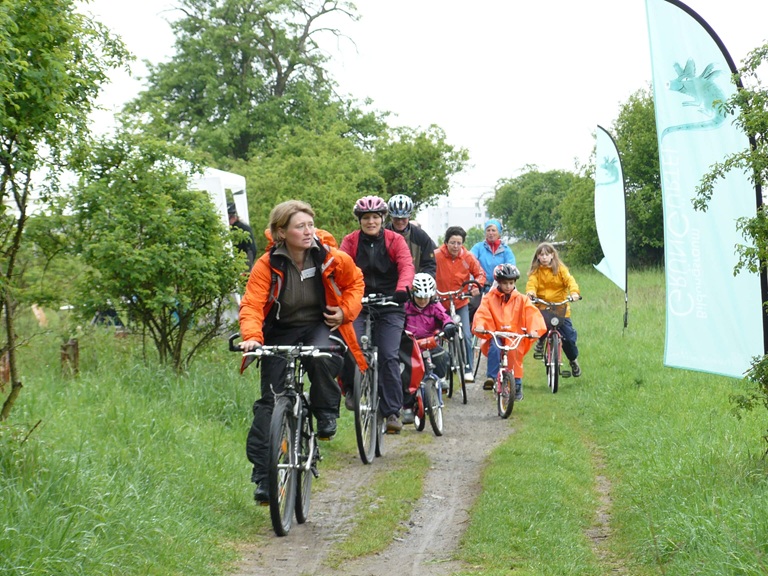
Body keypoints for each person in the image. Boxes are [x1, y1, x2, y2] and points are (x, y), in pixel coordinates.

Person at [238, 200, 365, 504]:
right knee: (270, 404)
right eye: (300, 226)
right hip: (279, 330)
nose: (309, 231)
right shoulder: (266, 265)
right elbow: (252, 304)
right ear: (281, 232)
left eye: (310, 224)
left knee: (322, 356)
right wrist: (253, 338)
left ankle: (325, 412)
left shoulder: (331, 257)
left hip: (318, 324)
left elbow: (355, 283)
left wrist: (344, 312)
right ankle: (265, 479)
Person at [340, 195, 415, 434]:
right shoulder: (350, 242)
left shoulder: (395, 241)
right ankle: (351, 388)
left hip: (391, 302)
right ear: (359, 220)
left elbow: (406, 266)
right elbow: (339, 267)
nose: (371, 222)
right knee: (350, 346)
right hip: (358, 301)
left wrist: (403, 289)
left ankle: (393, 411)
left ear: (383, 218)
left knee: (388, 355)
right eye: (366, 218)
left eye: (375, 217)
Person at [472, 263, 546, 400]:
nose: (508, 286)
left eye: (511, 283)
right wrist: (481, 326)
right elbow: (482, 313)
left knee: (515, 353)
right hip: (496, 333)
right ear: (498, 283)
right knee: (494, 348)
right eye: (505, 283)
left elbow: (532, 314)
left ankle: (517, 384)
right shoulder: (489, 298)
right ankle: (492, 377)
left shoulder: (522, 299)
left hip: (514, 334)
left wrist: (534, 330)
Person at [402, 273, 457, 423]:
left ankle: (439, 379)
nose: (423, 301)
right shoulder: (405, 307)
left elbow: (445, 317)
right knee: (406, 372)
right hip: (411, 346)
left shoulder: (434, 306)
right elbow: (398, 322)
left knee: (442, 356)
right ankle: (407, 406)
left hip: (430, 343)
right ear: (413, 294)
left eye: (426, 298)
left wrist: (449, 325)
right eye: (419, 298)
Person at [434, 226, 485, 382]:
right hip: (440, 302)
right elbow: (426, 270)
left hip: (460, 301)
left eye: (459, 243)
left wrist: (476, 286)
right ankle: (439, 373)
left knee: (466, 335)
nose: (455, 246)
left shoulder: (467, 257)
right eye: (452, 243)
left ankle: (468, 367)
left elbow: (480, 274)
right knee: (437, 335)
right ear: (446, 242)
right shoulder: (436, 255)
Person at [525, 242, 582, 377]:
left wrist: (574, 293)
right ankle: (541, 340)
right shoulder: (536, 271)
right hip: (543, 306)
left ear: (552, 255)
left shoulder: (560, 269)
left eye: (547, 254)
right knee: (540, 326)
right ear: (537, 257)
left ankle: (573, 360)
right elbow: (531, 284)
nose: (544, 257)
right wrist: (531, 293)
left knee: (568, 338)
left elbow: (570, 281)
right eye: (541, 254)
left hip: (561, 308)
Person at [385, 194, 437, 277]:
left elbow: (430, 265)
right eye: (396, 218)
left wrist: (423, 278)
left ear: (409, 216)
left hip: (413, 283)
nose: (400, 221)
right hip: (387, 284)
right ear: (391, 217)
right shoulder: (381, 234)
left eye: (403, 218)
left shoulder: (421, 236)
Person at [470, 218, 516, 282]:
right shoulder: (478, 247)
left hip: (500, 285)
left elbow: (511, 268)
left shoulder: (506, 250)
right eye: (488, 230)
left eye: (493, 230)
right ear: (485, 233)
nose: (490, 233)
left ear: (499, 233)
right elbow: (469, 260)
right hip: (481, 285)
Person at [228, 202, 258, 269]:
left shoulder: (243, 228)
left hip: (243, 263)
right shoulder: (231, 228)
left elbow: (251, 249)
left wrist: (246, 266)